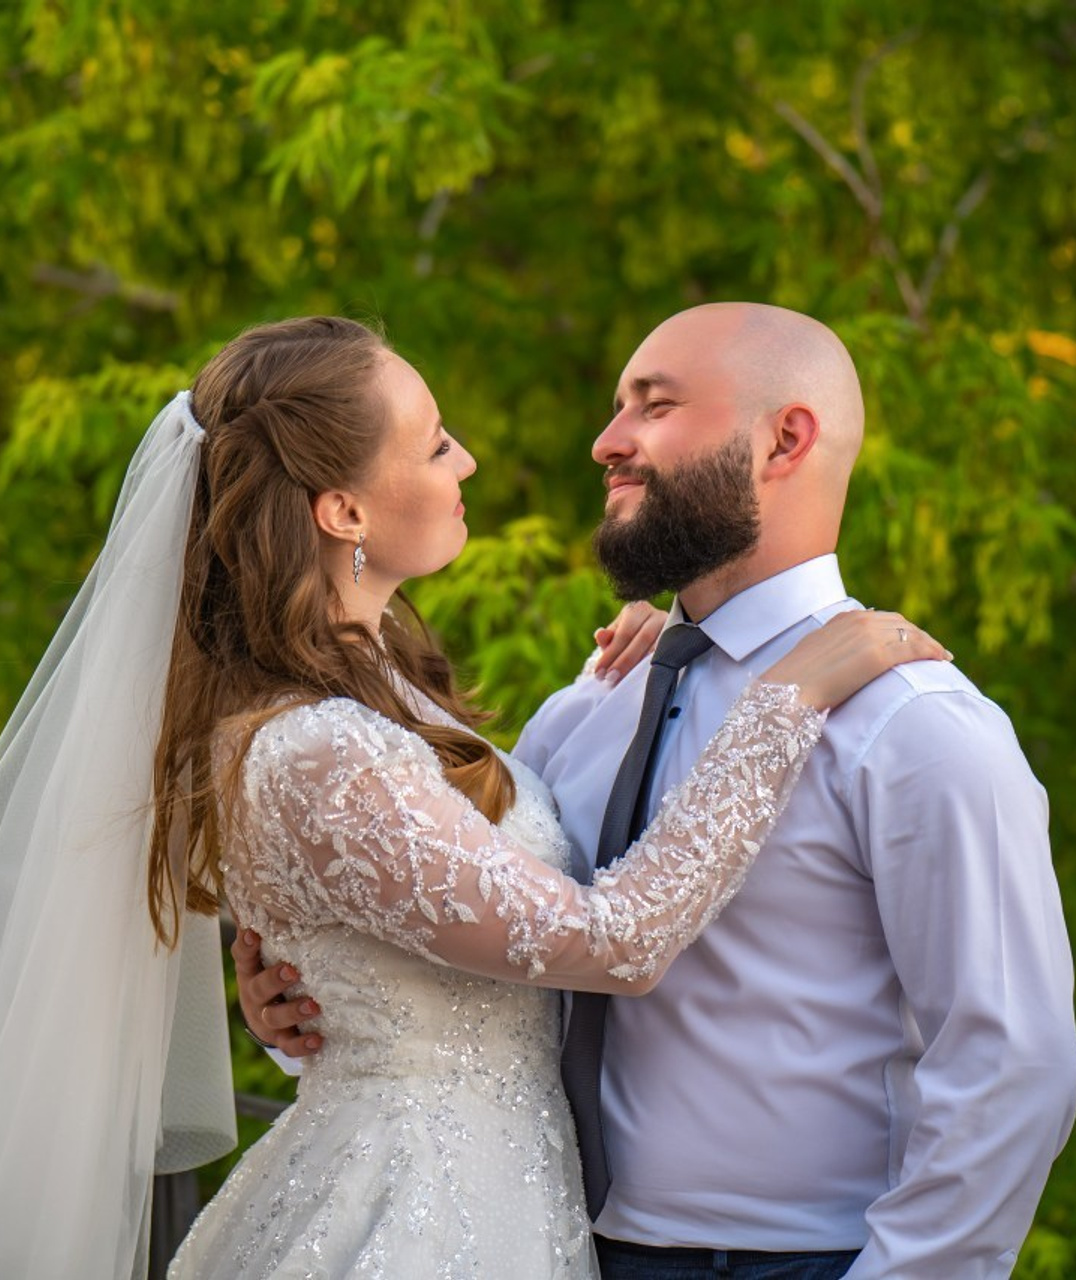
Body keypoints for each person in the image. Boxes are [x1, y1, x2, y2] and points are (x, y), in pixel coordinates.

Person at [0, 314, 948, 1280]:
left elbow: (411, 941)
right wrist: (785, 698)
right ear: (343, 512)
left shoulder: (369, 699)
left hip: (493, 1195)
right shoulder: (318, 749)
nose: (471, 462)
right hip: (414, 1222)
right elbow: (611, 945)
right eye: (436, 442)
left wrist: (669, 652)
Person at [245, 303, 1076, 1279]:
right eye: (614, 407)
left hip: (799, 1261)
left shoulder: (914, 724)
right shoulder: (585, 708)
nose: (606, 441)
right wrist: (313, 1008)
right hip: (543, 1241)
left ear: (785, 437)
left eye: (653, 404)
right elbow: (493, 943)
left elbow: (1008, 1064)